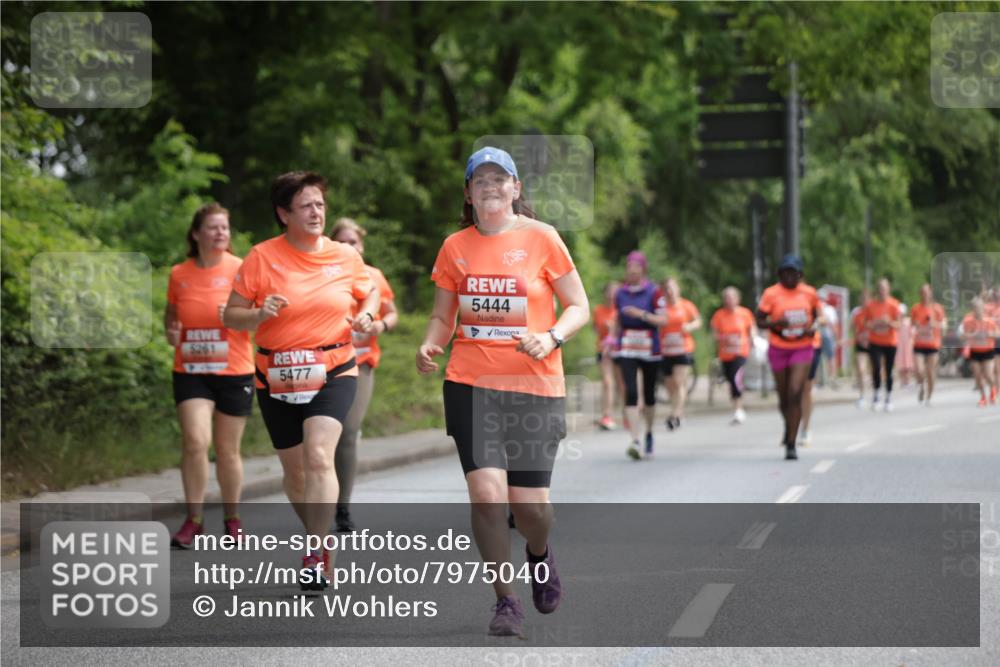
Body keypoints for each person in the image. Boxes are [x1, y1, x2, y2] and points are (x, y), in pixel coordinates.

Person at [416, 147, 589, 637]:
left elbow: (578, 306)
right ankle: (506, 600)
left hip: (534, 386)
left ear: (516, 188)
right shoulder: (454, 246)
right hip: (471, 384)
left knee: (531, 509)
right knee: (487, 495)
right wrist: (430, 343)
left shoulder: (543, 238)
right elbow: (443, 315)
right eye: (481, 180)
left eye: (500, 179)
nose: (490, 186)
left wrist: (551, 337)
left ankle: (539, 552)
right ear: (468, 194)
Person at [223, 171, 380, 587]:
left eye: (320, 204)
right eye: (306, 205)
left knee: (318, 456)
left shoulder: (344, 256)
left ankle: (312, 552)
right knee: (295, 474)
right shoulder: (261, 257)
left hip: (334, 368)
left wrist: (367, 313)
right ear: (284, 214)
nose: (316, 212)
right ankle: (321, 541)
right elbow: (231, 315)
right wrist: (258, 314)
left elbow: (369, 291)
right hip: (276, 375)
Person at [165, 203, 255, 548]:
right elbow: (171, 316)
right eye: (213, 227)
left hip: (234, 368)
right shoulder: (179, 273)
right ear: (196, 234)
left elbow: (259, 318)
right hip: (192, 370)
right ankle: (194, 519)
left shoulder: (241, 269)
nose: (220, 233)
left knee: (227, 450)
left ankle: (233, 519)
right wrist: (171, 332)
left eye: (225, 227)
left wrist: (235, 316)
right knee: (195, 442)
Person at [329, 218, 398, 533]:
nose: (349, 247)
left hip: (361, 363)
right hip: (325, 365)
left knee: (348, 432)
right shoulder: (323, 274)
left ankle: (342, 506)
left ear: (362, 246)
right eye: (342, 242)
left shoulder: (374, 276)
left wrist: (380, 325)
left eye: (353, 242)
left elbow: (392, 313)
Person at [756, 254, 822, 461]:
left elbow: (818, 317)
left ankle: (791, 444)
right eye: (785, 273)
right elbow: (759, 320)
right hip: (778, 348)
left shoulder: (809, 293)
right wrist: (776, 323)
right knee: (784, 397)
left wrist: (812, 328)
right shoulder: (771, 293)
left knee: (795, 392)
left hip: (802, 347)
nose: (789, 277)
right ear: (780, 274)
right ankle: (789, 426)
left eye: (793, 273)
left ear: (800, 275)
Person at [614, 252, 668, 460]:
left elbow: (663, 320)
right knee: (631, 391)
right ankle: (635, 439)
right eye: (629, 267)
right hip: (627, 346)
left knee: (649, 393)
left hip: (649, 348)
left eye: (636, 267)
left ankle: (649, 432)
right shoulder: (620, 293)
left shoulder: (654, 292)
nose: (632, 271)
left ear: (643, 270)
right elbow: (618, 318)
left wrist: (641, 314)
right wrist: (611, 339)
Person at [709, 287, 757, 425]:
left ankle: (739, 409)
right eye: (726, 298)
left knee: (737, 378)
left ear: (737, 299)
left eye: (731, 298)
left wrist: (752, 338)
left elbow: (752, 328)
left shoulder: (745, 313)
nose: (729, 301)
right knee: (731, 380)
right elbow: (714, 334)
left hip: (741, 351)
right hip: (725, 353)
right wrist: (723, 339)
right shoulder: (719, 315)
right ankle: (736, 406)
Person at [659, 277, 702, 431]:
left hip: (683, 348)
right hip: (666, 350)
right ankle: (679, 411)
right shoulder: (661, 307)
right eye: (666, 289)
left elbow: (698, 321)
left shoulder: (686, 305)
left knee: (678, 382)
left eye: (672, 288)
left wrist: (690, 326)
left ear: (678, 289)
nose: (669, 291)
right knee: (670, 384)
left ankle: (674, 415)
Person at [864, 278, 902, 412]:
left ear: (888, 290)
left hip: (890, 342)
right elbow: (866, 323)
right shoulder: (870, 305)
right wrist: (874, 323)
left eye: (884, 288)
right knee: (876, 367)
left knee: (888, 370)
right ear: (877, 290)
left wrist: (889, 322)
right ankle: (876, 395)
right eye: (880, 288)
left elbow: (899, 325)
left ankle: (889, 397)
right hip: (875, 341)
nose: (882, 291)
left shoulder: (894, 304)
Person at [911, 284, 946, 406]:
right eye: (922, 292)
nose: (925, 295)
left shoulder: (937, 308)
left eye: (927, 292)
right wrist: (915, 325)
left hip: (933, 344)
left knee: (930, 372)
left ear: (930, 293)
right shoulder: (916, 308)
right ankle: (922, 386)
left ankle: (929, 396)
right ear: (920, 294)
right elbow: (912, 325)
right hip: (919, 343)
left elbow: (944, 325)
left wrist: (934, 324)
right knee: (919, 369)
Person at [960, 296, 999, 406]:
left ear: (983, 308)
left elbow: (998, 333)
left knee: (988, 375)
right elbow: (962, 336)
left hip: (988, 351)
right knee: (977, 376)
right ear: (972, 309)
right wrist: (969, 335)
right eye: (975, 308)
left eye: (979, 307)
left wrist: (990, 334)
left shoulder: (989, 321)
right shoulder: (968, 321)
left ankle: (993, 389)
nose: (977, 310)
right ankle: (983, 397)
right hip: (975, 351)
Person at [593, 281, 620, 430]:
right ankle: (607, 416)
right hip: (604, 351)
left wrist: (615, 329)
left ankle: (628, 414)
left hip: (620, 350)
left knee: (622, 384)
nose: (611, 295)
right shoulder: (598, 310)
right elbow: (595, 329)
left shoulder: (622, 310)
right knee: (607, 382)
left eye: (614, 292)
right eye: (609, 292)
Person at [798, 330, 823, 448]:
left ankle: (806, 429)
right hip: (786, 346)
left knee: (806, 388)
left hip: (810, 345)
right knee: (791, 389)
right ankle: (791, 425)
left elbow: (823, 320)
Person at [850, 289, 871, 409]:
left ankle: (876, 394)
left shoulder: (873, 312)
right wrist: (858, 336)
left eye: (866, 299)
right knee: (861, 369)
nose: (864, 301)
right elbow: (852, 327)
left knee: (875, 370)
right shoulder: (856, 313)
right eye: (862, 299)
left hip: (874, 344)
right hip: (861, 345)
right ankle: (862, 396)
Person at [819, 293, 839, 386]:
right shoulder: (829, 309)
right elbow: (833, 324)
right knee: (830, 357)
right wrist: (837, 337)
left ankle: (824, 379)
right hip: (826, 335)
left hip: (821, 335)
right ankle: (831, 378)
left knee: (823, 357)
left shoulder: (821, 308)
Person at [896, 304, 915, 388]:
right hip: (899, 345)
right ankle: (902, 381)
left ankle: (907, 380)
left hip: (908, 345)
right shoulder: (897, 322)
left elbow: (913, 332)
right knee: (901, 363)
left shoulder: (908, 321)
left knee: (908, 363)